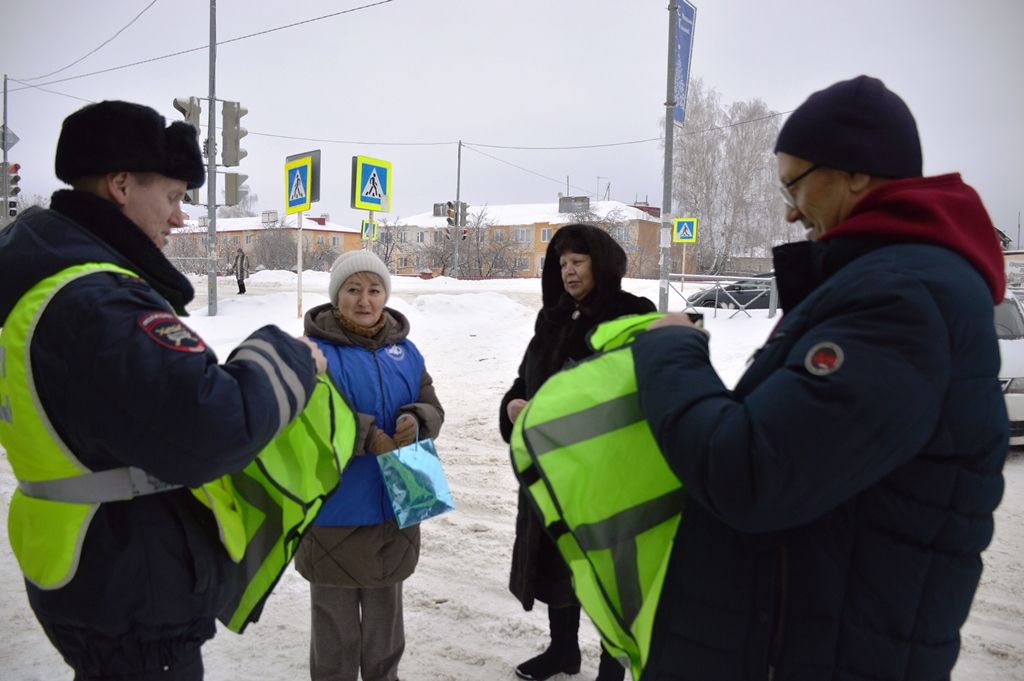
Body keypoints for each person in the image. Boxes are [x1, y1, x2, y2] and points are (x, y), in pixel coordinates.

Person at [633, 76, 1009, 679]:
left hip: (816, 652)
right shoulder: (889, 284)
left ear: (855, 173)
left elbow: (750, 469)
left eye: (794, 184)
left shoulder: (898, 302)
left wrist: (672, 350)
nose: (787, 209)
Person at [0, 100, 327, 681]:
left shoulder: (51, 276)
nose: (180, 218)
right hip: (131, 588)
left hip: (99, 568)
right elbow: (211, 425)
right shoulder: (98, 300)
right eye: (174, 197)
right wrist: (284, 357)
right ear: (121, 184)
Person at [499, 223, 656, 681]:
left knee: (610, 573)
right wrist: (511, 405)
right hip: (553, 470)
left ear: (600, 263)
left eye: (578, 261)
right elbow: (524, 378)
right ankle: (563, 651)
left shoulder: (631, 315)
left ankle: (613, 666)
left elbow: (633, 394)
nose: (568, 271)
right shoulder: (552, 317)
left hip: (606, 473)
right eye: (562, 263)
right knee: (556, 562)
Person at [295, 249, 444, 681]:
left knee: (385, 624)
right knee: (335, 628)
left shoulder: (408, 351)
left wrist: (417, 420)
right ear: (336, 295)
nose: (365, 300)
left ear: (386, 295)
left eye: (374, 290)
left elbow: (433, 406)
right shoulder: (311, 351)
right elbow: (303, 419)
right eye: (353, 290)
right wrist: (366, 435)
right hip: (335, 508)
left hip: (401, 499)